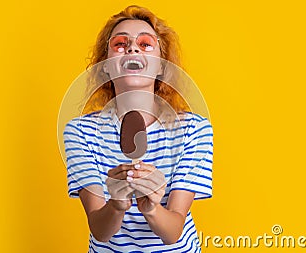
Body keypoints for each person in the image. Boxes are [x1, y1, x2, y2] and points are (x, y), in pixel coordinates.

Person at [64, 5, 213, 252]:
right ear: (106, 66)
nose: (132, 48)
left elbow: (173, 231)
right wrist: (116, 204)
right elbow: (99, 230)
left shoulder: (193, 130)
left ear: (162, 67)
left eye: (145, 44)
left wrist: (151, 207)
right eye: (120, 44)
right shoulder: (80, 132)